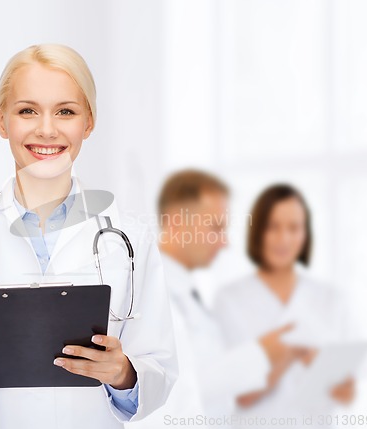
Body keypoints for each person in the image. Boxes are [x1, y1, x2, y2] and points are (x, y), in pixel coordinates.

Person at [0, 44, 177, 429]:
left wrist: (122, 374)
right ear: (2, 121)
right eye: (27, 110)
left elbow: (160, 369)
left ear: (89, 121)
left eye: (65, 111)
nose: (47, 129)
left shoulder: (129, 237)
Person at [127, 170, 298, 429]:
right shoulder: (151, 292)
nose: (224, 242)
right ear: (176, 223)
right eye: (216, 227)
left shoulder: (187, 292)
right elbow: (171, 388)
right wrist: (261, 353)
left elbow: (209, 383)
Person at [214, 184, 354, 427]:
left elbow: (346, 393)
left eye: (294, 228)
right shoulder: (229, 300)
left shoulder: (331, 299)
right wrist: (290, 354)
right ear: (258, 231)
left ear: (305, 234)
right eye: (273, 227)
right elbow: (238, 395)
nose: (284, 239)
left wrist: (328, 373)